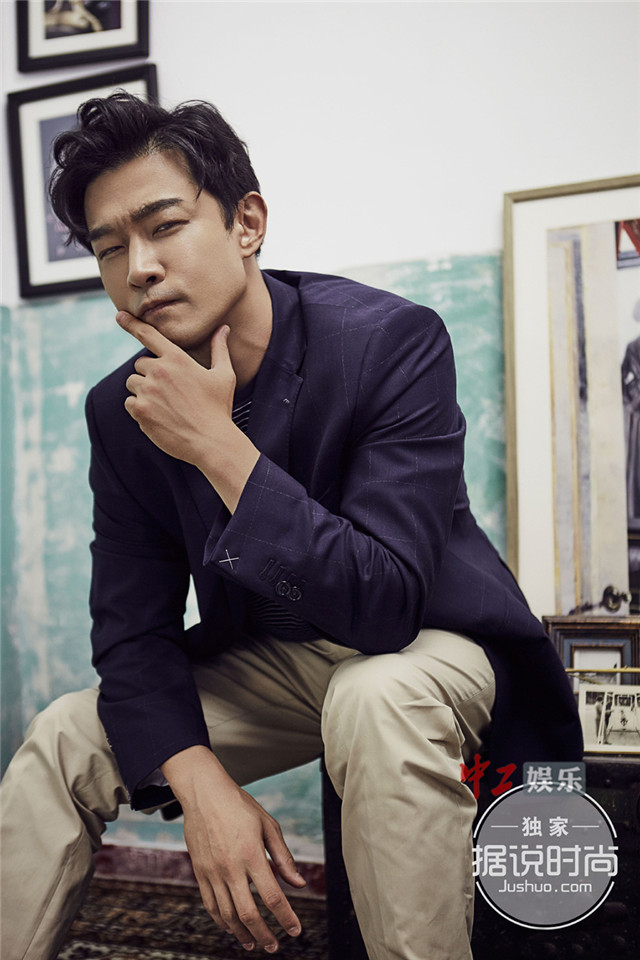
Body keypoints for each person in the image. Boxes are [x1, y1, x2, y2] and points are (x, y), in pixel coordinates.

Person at [0, 93, 582, 960]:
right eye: (109, 247)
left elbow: (386, 603)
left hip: (427, 639)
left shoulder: (390, 341)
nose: (140, 268)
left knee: (373, 695)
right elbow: (130, 631)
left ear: (247, 223)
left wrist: (217, 447)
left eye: (164, 226)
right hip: (279, 661)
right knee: (63, 737)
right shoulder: (120, 409)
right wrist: (200, 783)